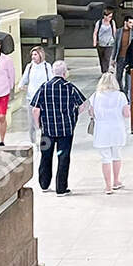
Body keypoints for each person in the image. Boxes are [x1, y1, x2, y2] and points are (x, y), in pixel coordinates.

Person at [30, 60, 87, 195]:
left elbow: (35, 110)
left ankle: (44, 184)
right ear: (65, 73)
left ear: (52, 72)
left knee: (45, 156)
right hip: (65, 131)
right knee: (63, 157)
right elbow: (83, 105)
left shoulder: (44, 87)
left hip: (47, 131)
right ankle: (61, 188)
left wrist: (38, 125)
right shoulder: (70, 87)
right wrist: (73, 116)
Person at [89, 70, 132, 193]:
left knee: (105, 158)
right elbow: (126, 114)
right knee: (117, 155)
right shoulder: (120, 96)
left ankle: (108, 186)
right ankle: (116, 181)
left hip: (102, 129)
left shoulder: (96, 95)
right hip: (117, 128)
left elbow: (91, 113)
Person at [18, 45, 54, 144]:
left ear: (41, 55)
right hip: (31, 98)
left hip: (44, 99)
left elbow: (51, 79)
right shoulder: (29, 66)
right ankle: (33, 142)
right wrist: (21, 85)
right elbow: (24, 78)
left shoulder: (47, 66)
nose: (33, 57)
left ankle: (45, 140)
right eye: (32, 55)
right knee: (31, 123)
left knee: (44, 121)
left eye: (35, 54)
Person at [92, 8, 119, 75]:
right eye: (108, 16)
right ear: (104, 15)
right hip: (101, 43)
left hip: (109, 43)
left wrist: (116, 41)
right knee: (101, 58)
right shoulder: (99, 22)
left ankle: (106, 72)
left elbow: (114, 32)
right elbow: (95, 32)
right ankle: (103, 71)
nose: (109, 18)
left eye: (110, 17)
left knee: (107, 58)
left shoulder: (112, 22)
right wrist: (94, 41)